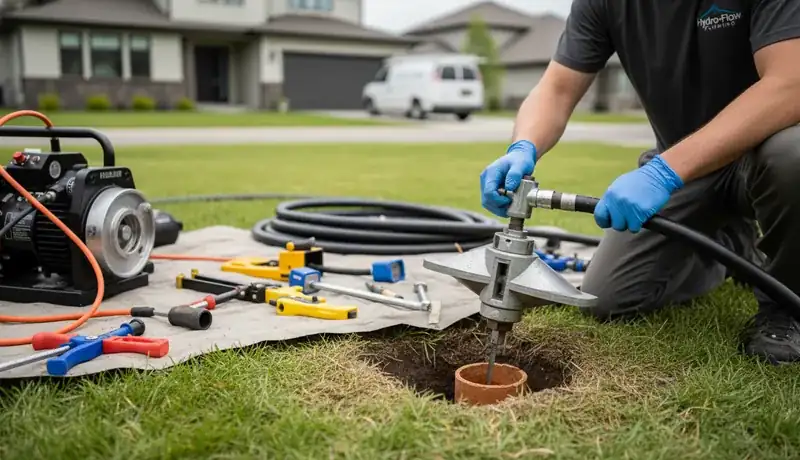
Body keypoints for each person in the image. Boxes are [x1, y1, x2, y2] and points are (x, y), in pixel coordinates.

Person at [479, 0, 800, 364]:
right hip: (682, 168)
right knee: (608, 299)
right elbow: (557, 88)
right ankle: (729, 249)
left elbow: (790, 83)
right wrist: (524, 146)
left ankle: (784, 308)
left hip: (757, 155)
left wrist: (663, 172)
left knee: (794, 155)